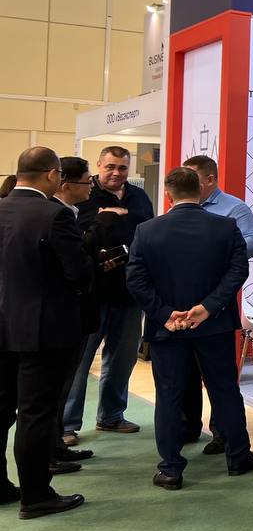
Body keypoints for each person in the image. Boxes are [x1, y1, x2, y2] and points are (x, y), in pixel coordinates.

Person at [126, 167, 253, 490]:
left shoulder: (146, 231)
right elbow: (237, 272)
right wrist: (208, 307)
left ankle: (170, 469)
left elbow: (135, 279)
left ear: (168, 195)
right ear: (200, 191)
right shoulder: (225, 227)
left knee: (169, 395)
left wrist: (165, 314)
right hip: (214, 326)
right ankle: (238, 457)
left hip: (167, 330)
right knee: (225, 390)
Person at [0, 147, 94, 518]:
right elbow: (79, 272)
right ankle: (36, 495)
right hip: (43, 330)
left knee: (2, 409)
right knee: (36, 414)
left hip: (3, 325)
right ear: (53, 175)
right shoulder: (54, 215)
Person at [62, 146, 154, 442]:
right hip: (92, 294)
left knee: (122, 359)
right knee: (80, 362)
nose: (116, 173)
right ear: (99, 166)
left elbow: (149, 234)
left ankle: (111, 416)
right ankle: (66, 424)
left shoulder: (139, 197)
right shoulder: (84, 196)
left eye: (122, 167)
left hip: (129, 293)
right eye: (110, 166)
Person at [181, 155, 253, 455]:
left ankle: (222, 434)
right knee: (185, 372)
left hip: (216, 302)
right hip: (182, 301)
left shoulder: (234, 208)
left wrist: (222, 251)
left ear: (210, 180)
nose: (186, 183)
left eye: (192, 177)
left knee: (219, 375)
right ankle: (188, 427)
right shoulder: (182, 206)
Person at [48, 157, 107, 470]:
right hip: (60, 317)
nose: (91, 187)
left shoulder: (66, 212)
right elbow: (74, 267)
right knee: (53, 390)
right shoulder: (57, 215)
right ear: (65, 183)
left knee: (61, 386)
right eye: (88, 181)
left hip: (67, 315)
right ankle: (50, 453)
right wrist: (98, 232)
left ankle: (56, 445)